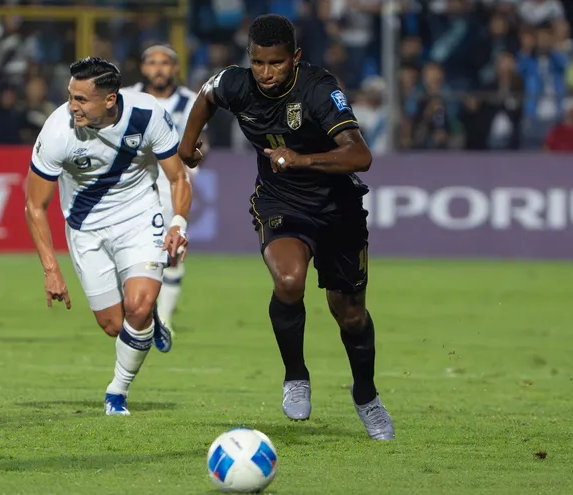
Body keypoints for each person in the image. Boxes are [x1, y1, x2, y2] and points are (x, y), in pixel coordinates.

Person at [178, 14, 394, 441]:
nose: (266, 73)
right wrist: (187, 145)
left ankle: (366, 395)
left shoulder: (318, 89)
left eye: (275, 63)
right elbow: (206, 94)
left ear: (294, 57)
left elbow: (360, 155)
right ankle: (296, 374)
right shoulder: (238, 83)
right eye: (258, 63)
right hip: (281, 201)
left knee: (349, 315)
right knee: (289, 280)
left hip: (337, 207)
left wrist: (303, 159)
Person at [24, 57, 192, 416]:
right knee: (114, 325)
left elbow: (178, 178)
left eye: (82, 100)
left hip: (140, 218)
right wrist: (51, 268)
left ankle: (117, 392)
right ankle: (147, 324)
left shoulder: (148, 115)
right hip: (86, 229)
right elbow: (34, 205)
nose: (72, 106)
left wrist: (178, 221)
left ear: (110, 100)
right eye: (70, 96)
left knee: (139, 306)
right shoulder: (57, 132)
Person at [123, 44, 208, 331]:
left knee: (171, 251)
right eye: (152, 63)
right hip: (133, 182)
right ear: (143, 67)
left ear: (175, 68)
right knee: (129, 248)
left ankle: (165, 318)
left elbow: (201, 145)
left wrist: (194, 157)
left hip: (172, 183)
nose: (158, 69)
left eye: (165, 63)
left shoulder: (192, 101)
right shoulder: (127, 97)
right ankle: (135, 308)